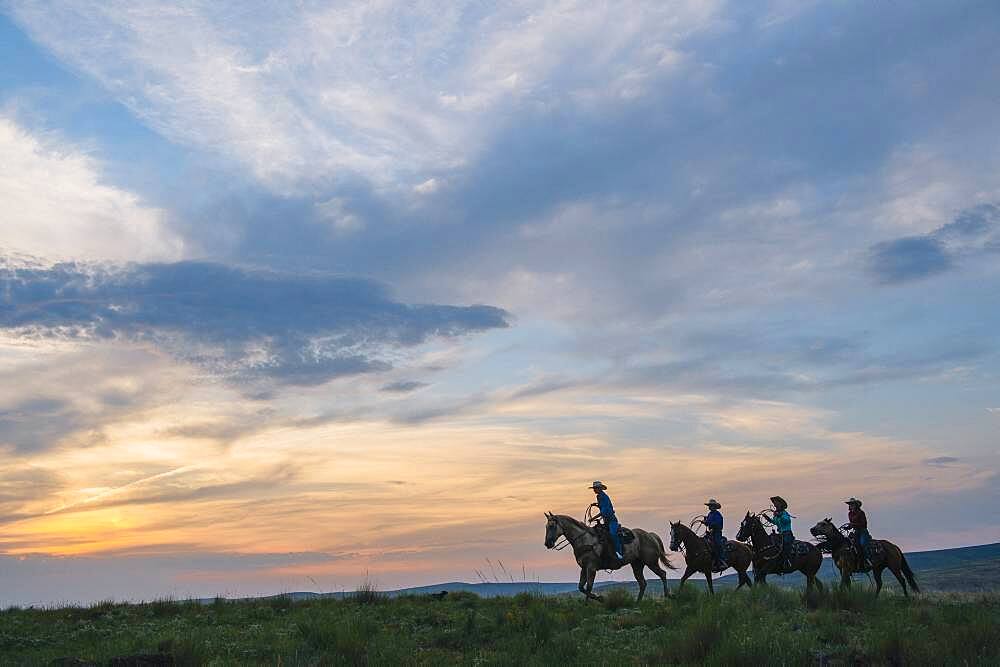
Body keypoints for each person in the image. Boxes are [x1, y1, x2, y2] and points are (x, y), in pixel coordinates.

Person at [590, 480, 624, 561]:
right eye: (594, 488)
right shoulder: (599, 497)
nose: (594, 490)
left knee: (613, 534)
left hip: (611, 520)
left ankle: (619, 553)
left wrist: (593, 518)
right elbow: (603, 506)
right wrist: (597, 504)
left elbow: (604, 510)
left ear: (600, 488)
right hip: (606, 521)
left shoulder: (603, 496)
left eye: (595, 488)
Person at [763, 495, 794, 571]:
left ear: (781, 504)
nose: (775, 505)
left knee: (785, 545)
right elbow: (775, 522)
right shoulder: (777, 514)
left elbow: (787, 521)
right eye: (774, 503)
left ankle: (787, 560)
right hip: (780, 534)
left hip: (787, 533)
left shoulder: (784, 513)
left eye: (776, 503)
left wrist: (779, 515)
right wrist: (768, 518)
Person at [845, 497, 872, 569]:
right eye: (850, 504)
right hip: (856, 532)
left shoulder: (861, 513)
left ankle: (867, 560)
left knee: (863, 544)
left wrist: (852, 525)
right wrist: (848, 527)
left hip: (863, 531)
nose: (850, 505)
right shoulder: (850, 514)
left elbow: (864, 524)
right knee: (851, 545)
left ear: (856, 505)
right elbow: (852, 524)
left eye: (852, 504)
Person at [704, 498, 727, 569]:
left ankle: (722, 561)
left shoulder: (718, 515)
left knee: (717, 544)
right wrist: (705, 522)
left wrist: (708, 523)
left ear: (714, 506)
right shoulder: (710, 514)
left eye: (711, 505)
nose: (709, 507)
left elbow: (717, 524)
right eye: (709, 505)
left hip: (717, 532)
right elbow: (708, 523)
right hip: (710, 533)